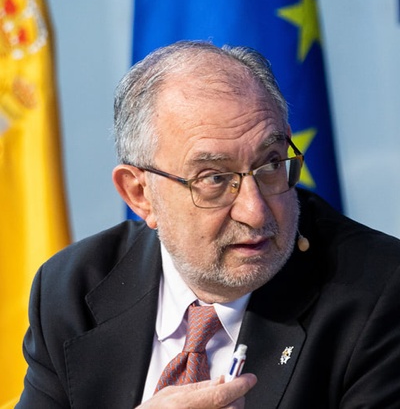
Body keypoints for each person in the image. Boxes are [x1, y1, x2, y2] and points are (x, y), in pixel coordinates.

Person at [16, 41, 400, 409]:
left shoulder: (379, 291)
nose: (255, 212)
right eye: (214, 178)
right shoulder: (72, 288)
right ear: (139, 194)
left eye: (269, 165)